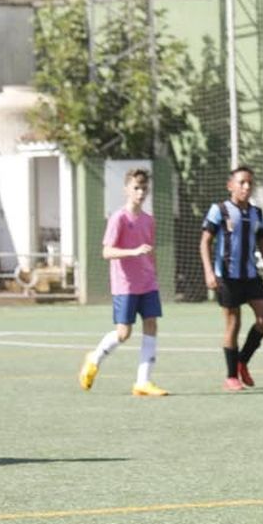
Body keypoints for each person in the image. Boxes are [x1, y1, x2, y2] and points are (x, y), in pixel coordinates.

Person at [79, 168, 167, 397]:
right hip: (125, 285)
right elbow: (106, 252)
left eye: (144, 188)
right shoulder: (118, 218)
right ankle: (95, 357)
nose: (140, 192)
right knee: (123, 333)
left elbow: (150, 250)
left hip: (148, 283)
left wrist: (153, 271)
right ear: (126, 189)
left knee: (151, 325)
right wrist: (133, 252)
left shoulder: (149, 220)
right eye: (136, 188)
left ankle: (143, 382)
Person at [199, 166, 263, 392]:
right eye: (242, 182)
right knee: (233, 324)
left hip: (251, 276)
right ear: (230, 185)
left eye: (249, 183)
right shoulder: (219, 210)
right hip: (228, 278)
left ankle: (242, 360)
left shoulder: (256, 214)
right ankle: (231, 376)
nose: (246, 187)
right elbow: (205, 242)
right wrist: (209, 271)